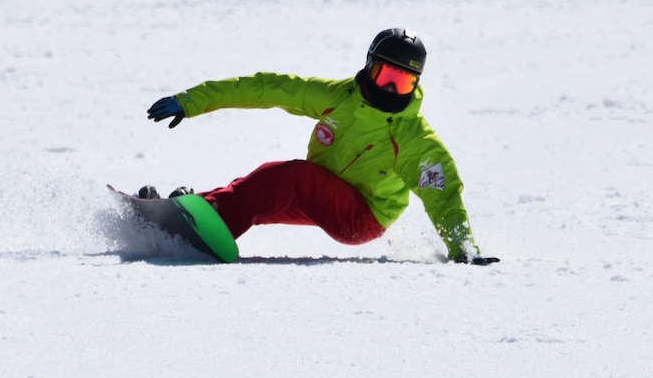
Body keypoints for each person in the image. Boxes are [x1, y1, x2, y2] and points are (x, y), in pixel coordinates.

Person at [144, 28, 499, 264]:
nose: (391, 90)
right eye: (385, 76)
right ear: (369, 67)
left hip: (363, 216)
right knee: (268, 186)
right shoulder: (339, 96)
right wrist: (193, 101)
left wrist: (463, 249)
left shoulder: (413, 138)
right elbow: (268, 88)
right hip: (324, 188)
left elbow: (444, 195)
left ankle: (211, 225)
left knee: (292, 177)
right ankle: (176, 217)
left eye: (403, 82)